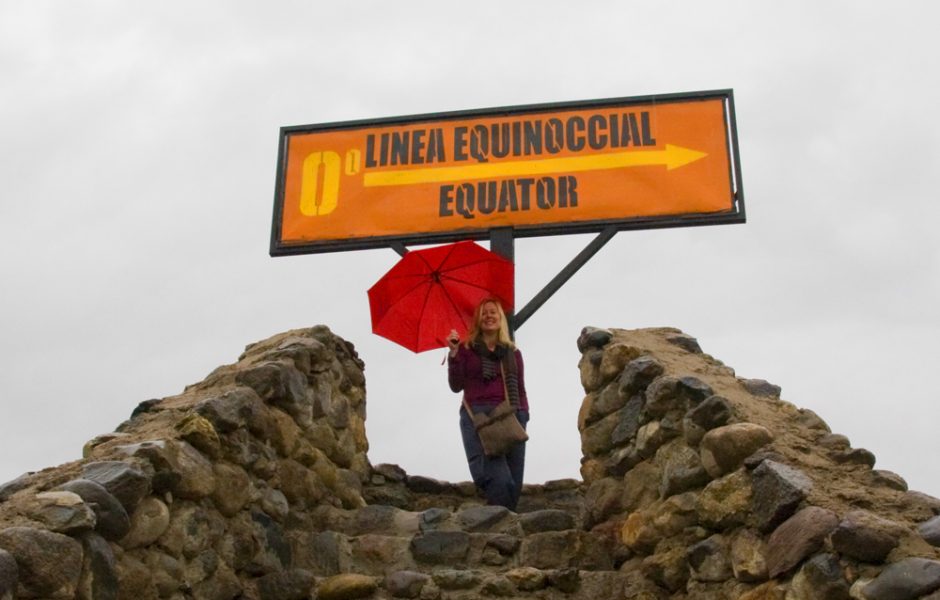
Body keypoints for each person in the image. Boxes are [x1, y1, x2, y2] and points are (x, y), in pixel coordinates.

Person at [447, 298, 529, 510]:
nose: (489, 316)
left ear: (500, 318)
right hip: (478, 417)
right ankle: (501, 528)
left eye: (493, 312)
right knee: (498, 479)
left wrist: (523, 416)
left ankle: (504, 531)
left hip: (509, 415)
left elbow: (520, 389)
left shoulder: (513, 353)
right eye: (484, 313)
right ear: (478, 320)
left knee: (514, 482)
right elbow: (456, 385)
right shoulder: (465, 350)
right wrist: (454, 354)